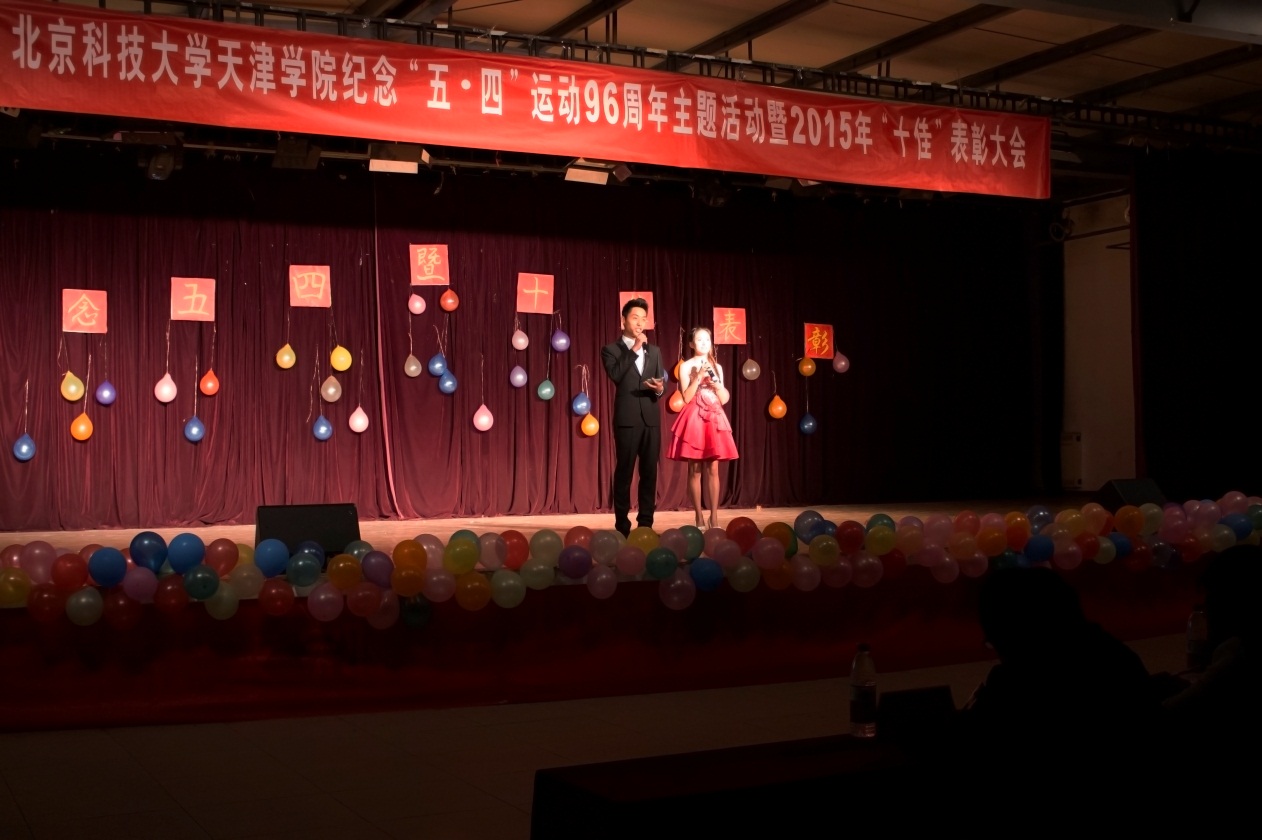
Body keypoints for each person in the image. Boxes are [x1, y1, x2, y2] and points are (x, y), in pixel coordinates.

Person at [601, 298, 665, 537]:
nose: (640, 323)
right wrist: (635, 348)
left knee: (649, 473)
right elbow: (616, 375)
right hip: (627, 420)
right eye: (635, 318)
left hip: (651, 418)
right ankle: (622, 526)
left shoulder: (655, 351)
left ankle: (646, 524)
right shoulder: (611, 349)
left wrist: (660, 388)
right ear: (623, 321)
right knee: (625, 472)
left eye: (643, 319)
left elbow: (660, 382)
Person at [667, 327, 738, 529]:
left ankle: (714, 517)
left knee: (713, 468)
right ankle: (698, 517)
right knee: (695, 469)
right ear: (691, 344)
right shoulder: (686, 366)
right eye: (699, 339)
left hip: (713, 416)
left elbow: (724, 398)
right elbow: (686, 397)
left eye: (707, 339)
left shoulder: (718, 367)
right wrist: (697, 377)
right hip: (694, 417)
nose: (704, 343)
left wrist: (716, 384)